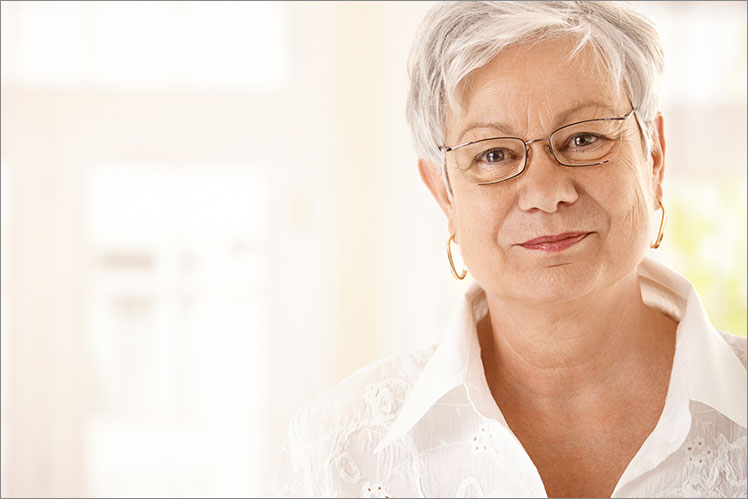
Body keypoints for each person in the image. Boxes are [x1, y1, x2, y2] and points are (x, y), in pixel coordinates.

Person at [270, 2, 747, 497]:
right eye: (493, 154)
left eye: (584, 139)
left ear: (653, 157)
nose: (546, 192)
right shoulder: (336, 452)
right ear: (444, 195)